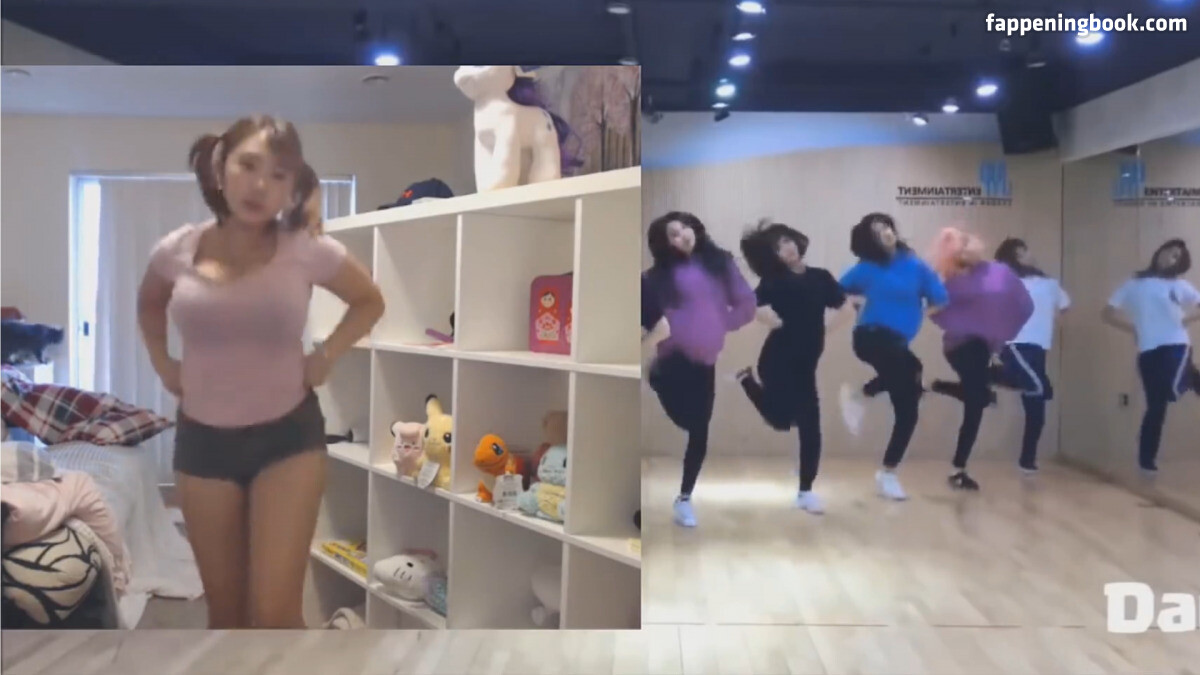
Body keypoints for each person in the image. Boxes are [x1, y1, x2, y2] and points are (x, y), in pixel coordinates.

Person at [137, 115, 385, 628]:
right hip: (203, 445)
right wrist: (163, 364)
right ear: (220, 169)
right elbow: (149, 305)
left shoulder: (307, 249)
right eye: (248, 166)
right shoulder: (177, 250)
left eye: (278, 175)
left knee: (274, 614)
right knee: (226, 617)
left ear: (291, 188)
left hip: (288, 440)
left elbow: (369, 300)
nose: (259, 185)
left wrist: (327, 355)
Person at [642, 211, 756, 527]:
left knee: (699, 430)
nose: (683, 235)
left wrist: (720, 323)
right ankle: (655, 377)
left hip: (705, 362)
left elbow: (746, 305)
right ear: (665, 244)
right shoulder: (657, 277)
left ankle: (684, 498)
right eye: (673, 234)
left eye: (684, 228)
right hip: (672, 361)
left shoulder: (721, 264)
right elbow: (648, 315)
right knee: (686, 419)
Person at [733, 220, 851, 514]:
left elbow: (846, 307)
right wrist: (770, 320)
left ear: (796, 241)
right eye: (778, 247)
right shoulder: (775, 281)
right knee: (784, 421)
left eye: (787, 241)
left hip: (806, 362)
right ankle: (747, 381)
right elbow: (748, 306)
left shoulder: (821, 277)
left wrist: (825, 330)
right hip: (777, 361)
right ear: (772, 256)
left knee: (804, 425)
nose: (787, 248)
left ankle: (805, 491)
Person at [838, 213, 948, 501]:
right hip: (870, 336)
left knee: (910, 396)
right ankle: (862, 398)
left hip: (897, 342)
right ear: (869, 239)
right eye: (877, 230)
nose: (886, 232)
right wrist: (852, 301)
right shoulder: (866, 268)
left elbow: (940, 299)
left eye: (887, 226)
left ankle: (887, 471)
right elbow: (835, 291)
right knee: (911, 380)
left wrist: (917, 313)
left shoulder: (916, 266)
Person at [925, 228, 1033, 491]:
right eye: (958, 253)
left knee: (985, 396)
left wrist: (1001, 335)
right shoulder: (954, 280)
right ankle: (958, 470)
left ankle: (936, 386)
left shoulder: (999, 273)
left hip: (983, 346)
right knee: (977, 400)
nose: (965, 252)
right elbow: (934, 309)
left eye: (966, 246)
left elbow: (1023, 305)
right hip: (961, 346)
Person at [1102, 239, 1200, 475]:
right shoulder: (1134, 284)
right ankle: (1146, 460)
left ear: (1179, 263)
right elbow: (1107, 314)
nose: (1169, 257)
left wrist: (1186, 320)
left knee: (1173, 388)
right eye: (1168, 251)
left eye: (1176, 256)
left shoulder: (1180, 285)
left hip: (1176, 344)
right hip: (1148, 350)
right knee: (1156, 406)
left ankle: (1193, 377)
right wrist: (1133, 329)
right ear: (1159, 252)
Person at [988, 238, 1070, 474]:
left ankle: (1027, 460)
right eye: (1023, 252)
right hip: (1014, 344)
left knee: (1036, 406)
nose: (1029, 254)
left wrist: (1053, 319)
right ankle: (989, 374)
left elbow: (1065, 306)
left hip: (1039, 346)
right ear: (1013, 258)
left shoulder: (1049, 283)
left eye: (1026, 250)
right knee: (1040, 388)